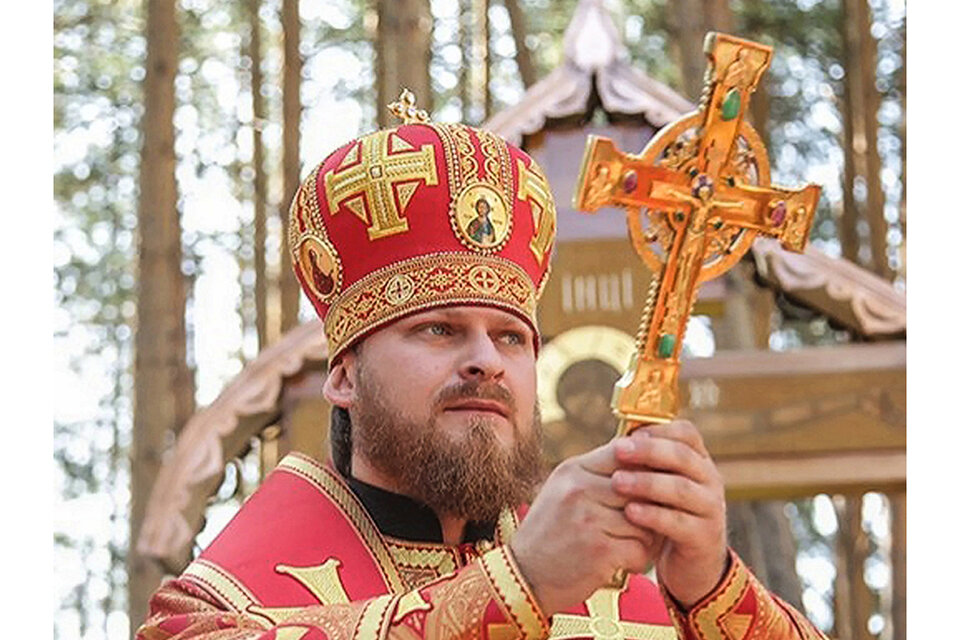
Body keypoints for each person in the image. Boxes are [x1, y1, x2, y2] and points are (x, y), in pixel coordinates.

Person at [138, 110, 825, 640]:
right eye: (438, 329)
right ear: (344, 377)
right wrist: (518, 587)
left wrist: (711, 589)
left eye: (510, 338)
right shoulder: (224, 602)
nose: (487, 360)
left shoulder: (620, 592)